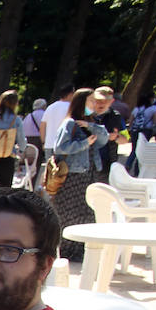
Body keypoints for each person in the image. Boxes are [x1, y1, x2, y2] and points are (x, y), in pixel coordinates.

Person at [49, 88, 108, 261]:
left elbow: (103, 139)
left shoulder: (89, 123)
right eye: (91, 101)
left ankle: (83, 248)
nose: (94, 105)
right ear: (81, 102)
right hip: (73, 175)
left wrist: (91, 126)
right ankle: (69, 250)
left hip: (88, 174)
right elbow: (60, 148)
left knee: (87, 212)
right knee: (70, 213)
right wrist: (84, 143)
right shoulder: (69, 123)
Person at [91, 87, 126, 176]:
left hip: (106, 165)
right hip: (86, 164)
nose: (101, 103)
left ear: (111, 101)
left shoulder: (116, 117)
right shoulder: (85, 115)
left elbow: (125, 140)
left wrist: (116, 137)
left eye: (105, 100)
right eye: (98, 100)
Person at [41, 86, 75, 158]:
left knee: (50, 168)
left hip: (49, 144)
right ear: (70, 94)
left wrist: (43, 142)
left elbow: (43, 125)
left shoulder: (50, 107)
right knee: (64, 169)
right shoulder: (71, 108)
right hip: (64, 145)